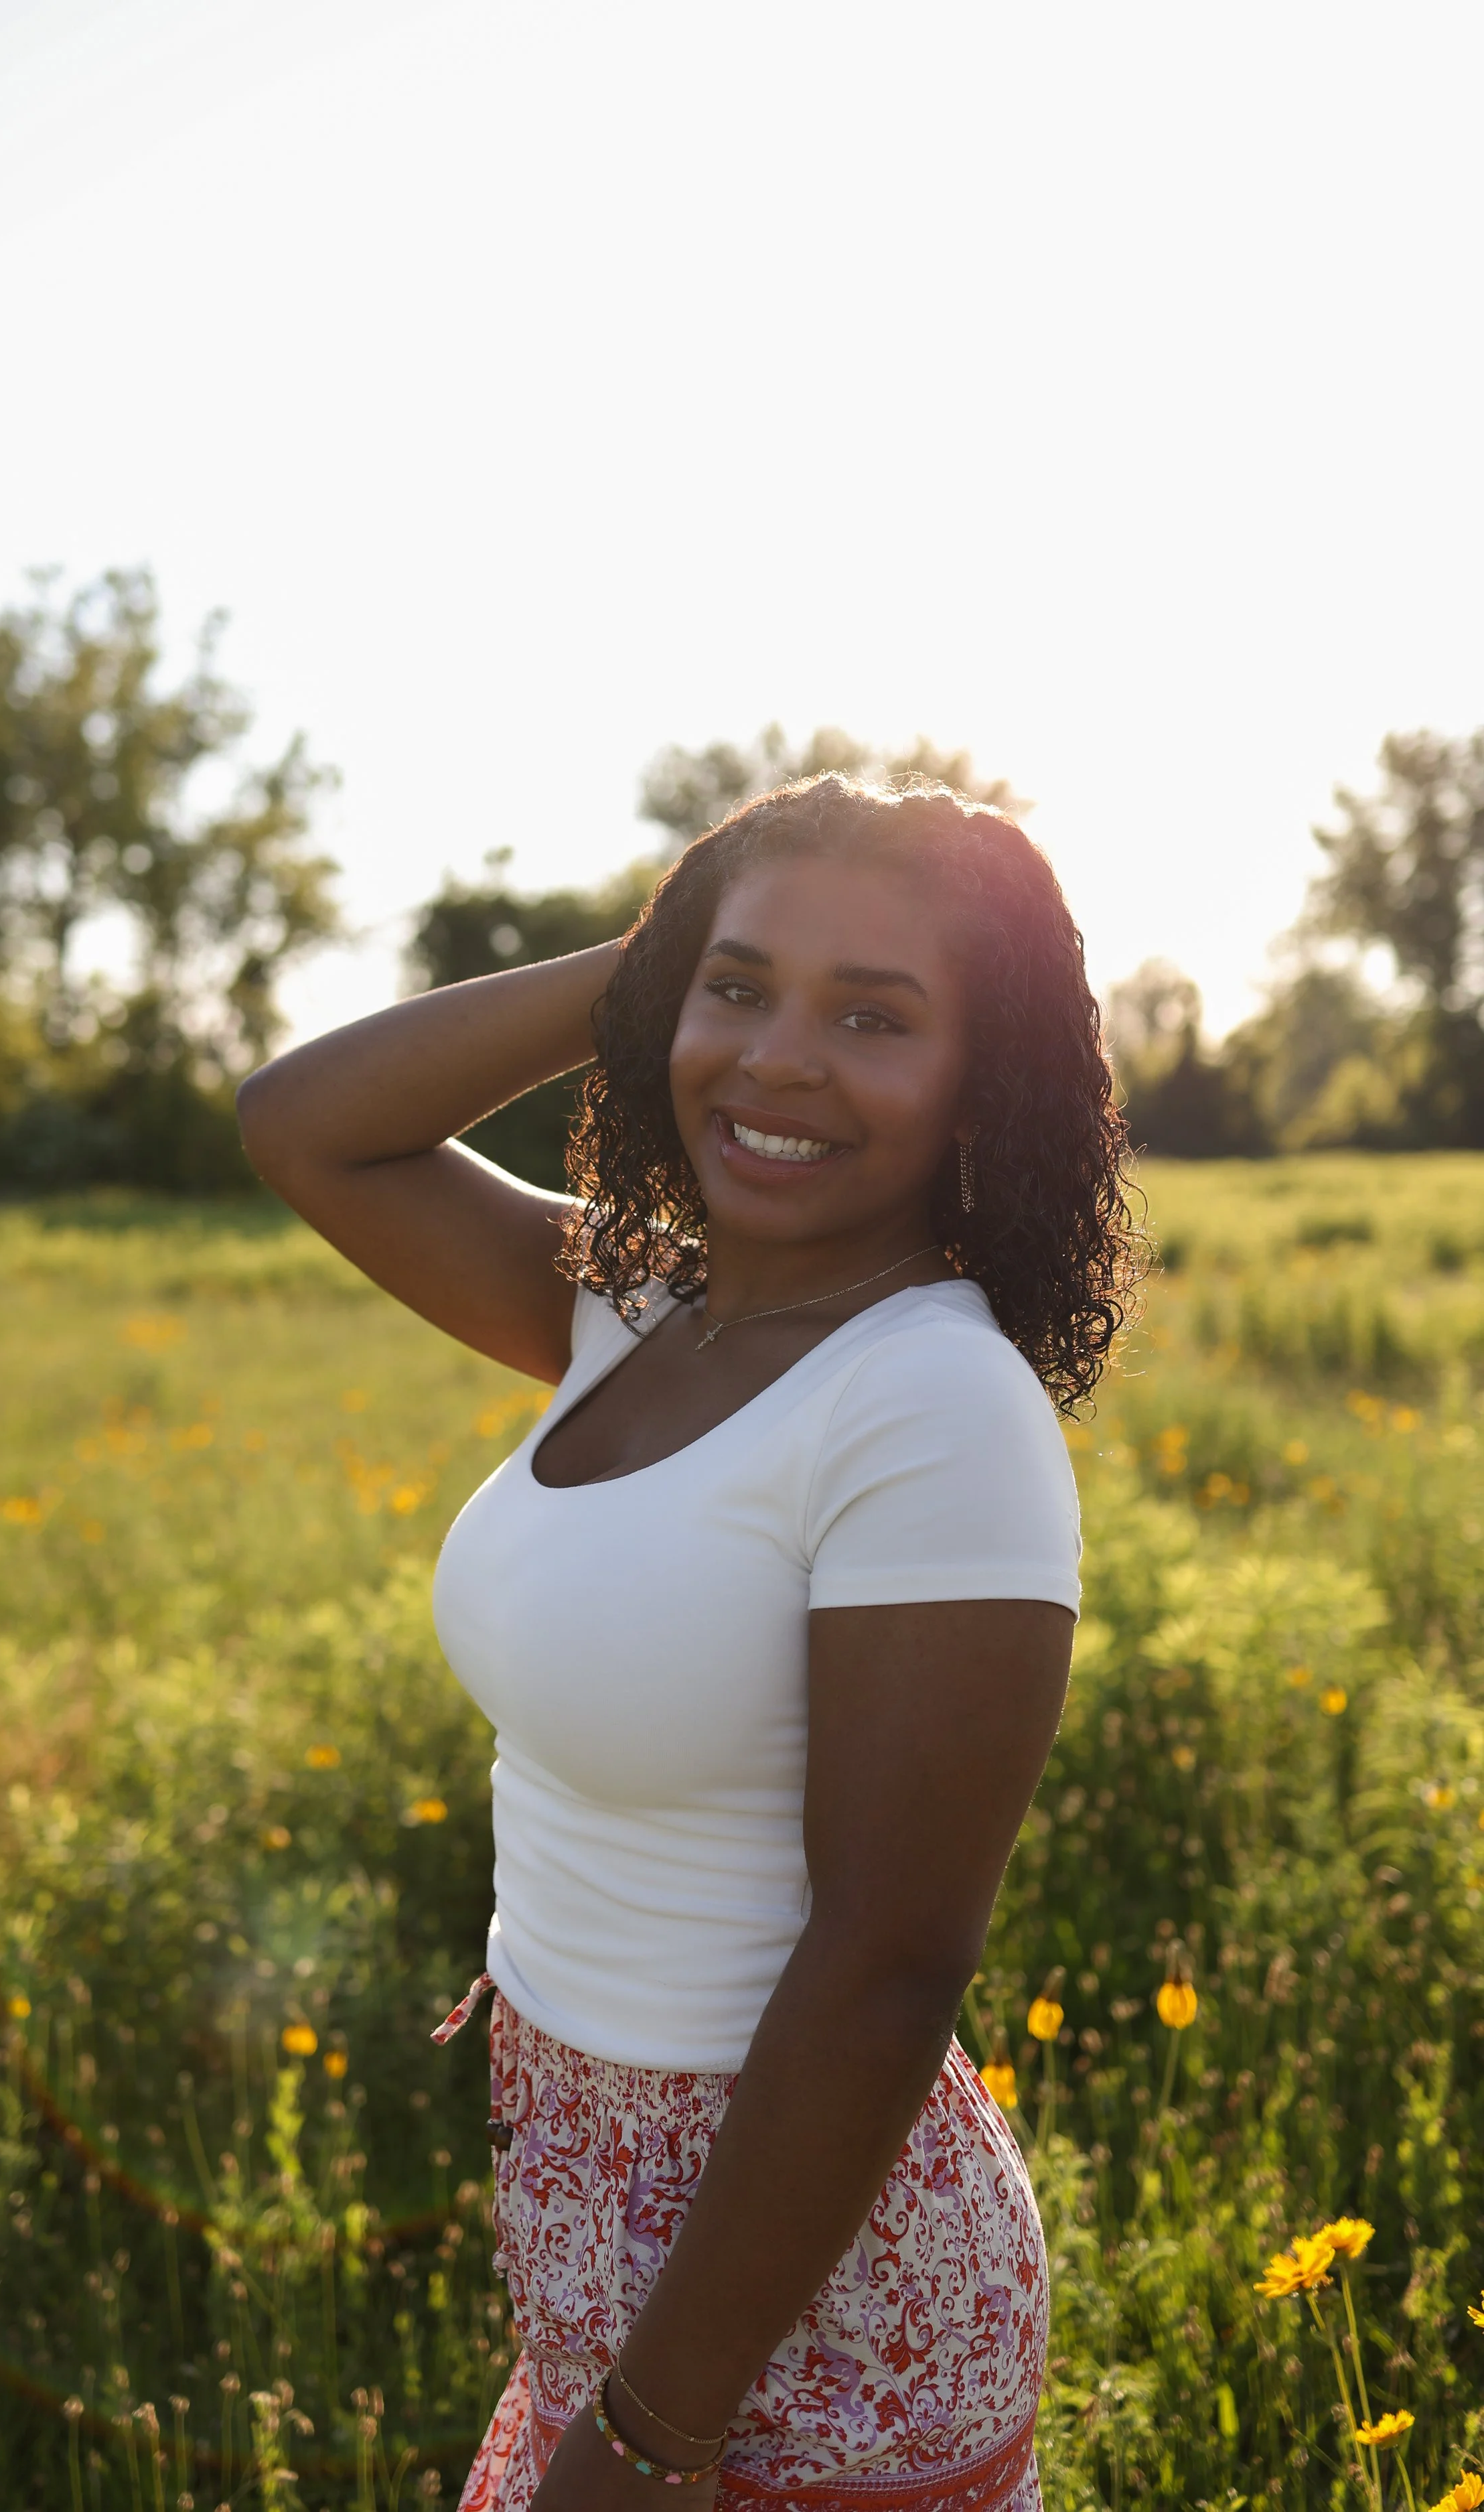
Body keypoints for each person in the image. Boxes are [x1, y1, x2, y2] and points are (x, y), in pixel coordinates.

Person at [238, 773, 1141, 2511]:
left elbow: (889, 1957)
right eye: (741, 989)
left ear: (984, 1077)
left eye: (872, 1015)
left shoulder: (928, 1399)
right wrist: (666, 961)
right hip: (603, 2210)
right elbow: (305, 1123)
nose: (780, 1059)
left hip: (807, 2289)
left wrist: (657, 2429)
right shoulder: (647, 1307)